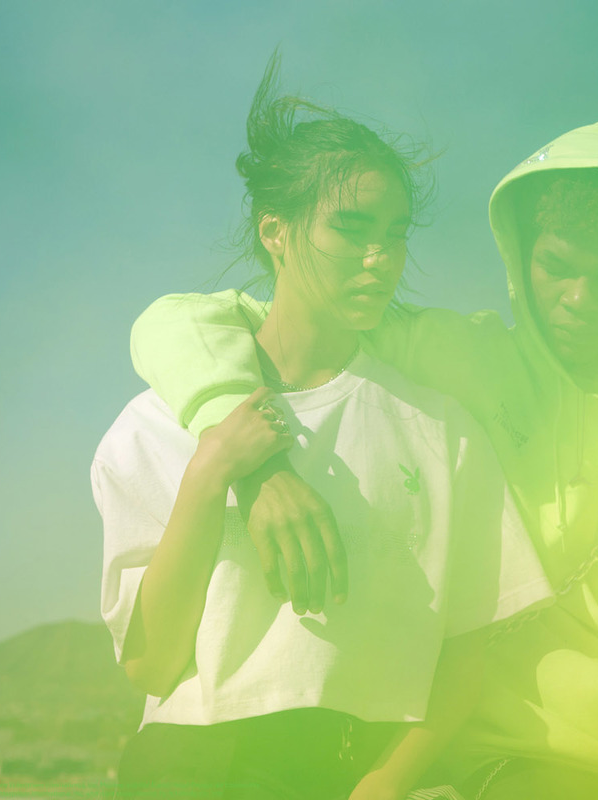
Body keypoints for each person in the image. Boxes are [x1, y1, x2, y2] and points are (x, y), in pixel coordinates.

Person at [131, 114, 598, 799]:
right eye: (557, 268)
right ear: (521, 259)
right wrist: (250, 458)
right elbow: (188, 322)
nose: (579, 299)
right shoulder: (465, 361)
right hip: (483, 764)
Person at [91, 55, 551, 800]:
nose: (380, 258)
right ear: (275, 231)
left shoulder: (442, 431)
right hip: (190, 768)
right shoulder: (154, 426)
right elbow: (150, 664)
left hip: (356, 768)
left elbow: (469, 653)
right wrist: (215, 472)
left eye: (395, 233)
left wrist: (384, 784)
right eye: (350, 226)